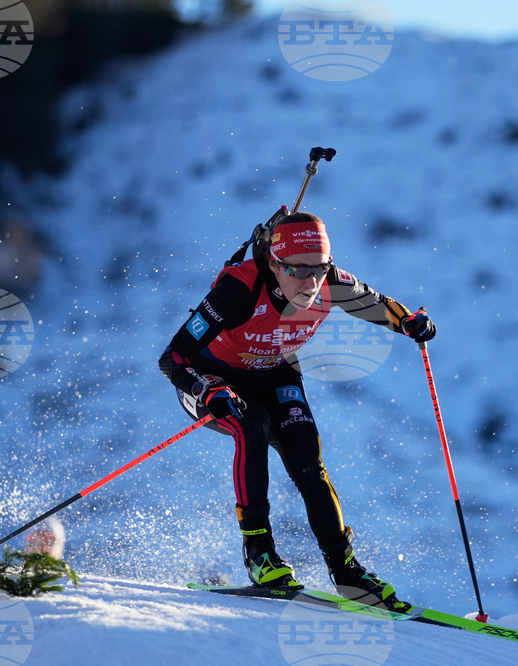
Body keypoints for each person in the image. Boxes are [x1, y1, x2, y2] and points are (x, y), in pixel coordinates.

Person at [159, 212, 436, 611]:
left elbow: (379, 306)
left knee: (305, 452)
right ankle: (259, 555)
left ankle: (347, 572)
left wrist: (408, 322)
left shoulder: (331, 282)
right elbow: (172, 357)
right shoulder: (241, 288)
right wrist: (205, 388)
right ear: (274, 264)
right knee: (250, 423)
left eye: (319, 270)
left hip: (274, 373)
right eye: (297, 270)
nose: (310, 283)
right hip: (211, 380)